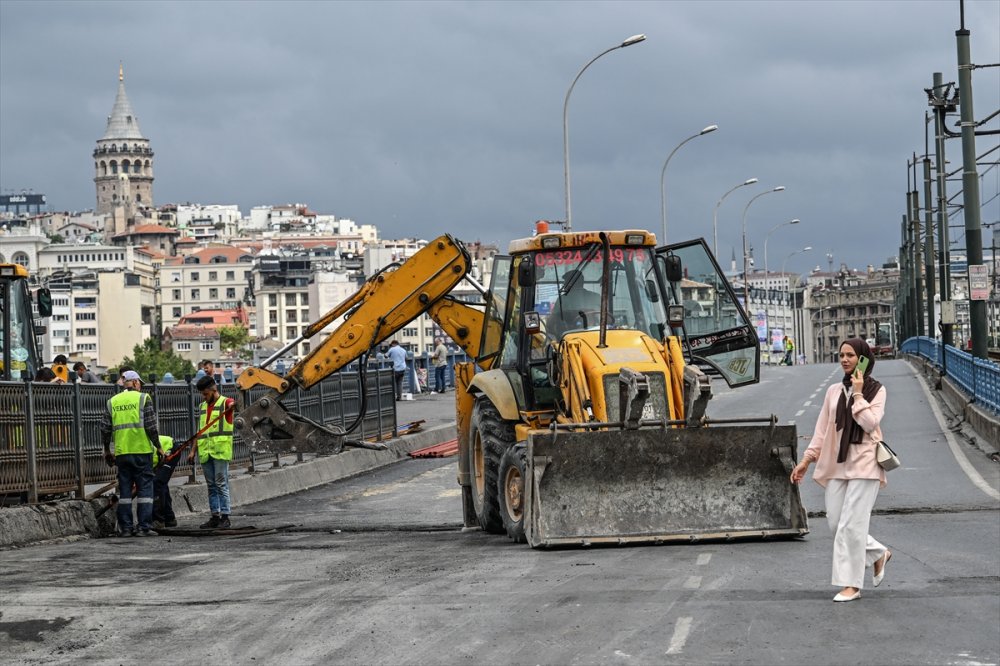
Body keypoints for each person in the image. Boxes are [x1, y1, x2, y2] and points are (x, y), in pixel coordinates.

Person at [790, 338, 890, 602]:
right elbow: (823, 430)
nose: (845, 360)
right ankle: (878, 553)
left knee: (852, 526)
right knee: (836, 523)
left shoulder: (876, 390)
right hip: (837, 464)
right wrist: (807, 460)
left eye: (851, 355)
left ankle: (851, 585)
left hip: (865, 463)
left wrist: (858, 393)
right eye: (841, 355)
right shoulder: (833, 391)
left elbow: (870, 423)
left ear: (863, 359)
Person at [100, 370, 164, 537]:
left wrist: (107, 450)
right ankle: (144, 527)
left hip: (122, 453)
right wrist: (159, 446)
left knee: (125, 492)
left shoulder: (112, 401)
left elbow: (105, 429)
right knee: (145, 490)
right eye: (140, 383)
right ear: (135, 383)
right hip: (141, 451)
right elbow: (151, 427)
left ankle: (126, 528)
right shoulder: (143, 399)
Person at [193, 375, 235, 529]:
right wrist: (193, 451)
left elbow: (235, 404)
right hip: (206, 452)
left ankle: (225, 516)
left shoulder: (226, 403)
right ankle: (215, 516)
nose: (204, 397)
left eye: (206, 394)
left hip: (220, 451)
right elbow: (200, 431)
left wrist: (233, 406)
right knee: (211, 485)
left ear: (213, 389)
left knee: (221, 483)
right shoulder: (203, 406)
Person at [546, 269, 603, 338]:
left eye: (565, 282)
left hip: (569, 338)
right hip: (596, 336)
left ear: (570, 283)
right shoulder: (596, 297)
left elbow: (552, 321)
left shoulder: (563, 299)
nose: (564, 284)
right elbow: (606, 319)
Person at [151, 435, 178, 530]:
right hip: (160, 456)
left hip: (169, 449)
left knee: (157, 482)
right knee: (161, 483)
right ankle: (169, 518)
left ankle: (159, 520)